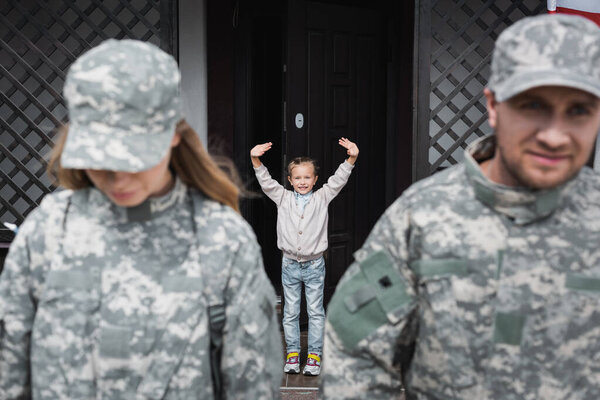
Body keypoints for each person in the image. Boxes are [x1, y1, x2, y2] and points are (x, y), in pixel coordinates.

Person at [320, 14, 600, 400]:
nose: (553, 135)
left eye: (579, 110)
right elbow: (355, 353)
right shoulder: (422, 217)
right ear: (494, 106)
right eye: (532, 105)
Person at [0, 39, 282, 399]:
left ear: (174, 137)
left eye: (135, 159)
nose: (119, 178)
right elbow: (11, 377)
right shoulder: (47, 231)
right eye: (102, 159)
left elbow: (252, 387)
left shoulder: (222, 240)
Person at [250, 139, 359, 376]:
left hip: (314, 265)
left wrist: (351, 158)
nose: (302, 182)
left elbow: (338, 180)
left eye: (307, 177)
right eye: (297, 178)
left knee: (315, 311)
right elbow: (266, 182)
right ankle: (292, 353)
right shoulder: (283, 197)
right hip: (289, 264)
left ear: (315, 180)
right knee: (290, 312)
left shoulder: (322, 197)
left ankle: (314, 356)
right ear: (289, 180)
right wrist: (255, 160)